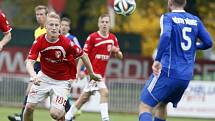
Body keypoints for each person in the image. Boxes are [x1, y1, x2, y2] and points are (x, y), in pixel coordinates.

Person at [139, 0, 213, 121]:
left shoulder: (168, 17)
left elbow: (166, 35)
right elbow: (209, 43)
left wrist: (157, 59)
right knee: (162, 105)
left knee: (145, 106)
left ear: (170, 2)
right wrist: (195, 46)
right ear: (184, 3)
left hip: (168, 71)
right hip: (185, 76)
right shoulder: (195, 20)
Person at [23, 12, 101, 121]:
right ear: (46, 26)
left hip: (62, 82)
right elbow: (29, 62)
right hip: (43, 77)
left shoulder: (67, 43)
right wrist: (33, 75)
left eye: (56, 25)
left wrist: (91, 73)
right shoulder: (39, 41)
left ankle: (63, 115)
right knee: (29, 108)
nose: (54, 28)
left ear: (59, 27)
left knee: (55, 114)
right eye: (51, 25)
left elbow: (83, 55)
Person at [65, 14, 123, 121]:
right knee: (105, 92)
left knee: (84, 98)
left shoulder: (112, 38)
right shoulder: (92, 37)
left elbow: (120, 56)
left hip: (101, 74)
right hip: (92, 73)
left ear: (109, 24)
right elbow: (83, 55)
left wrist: (116, 51)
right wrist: (78, 71)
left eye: (106, 22)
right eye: (102, 22)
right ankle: (105, 118)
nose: (104, 24)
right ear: (98, 24)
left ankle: (67, 117)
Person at [8, 5, 48, 121]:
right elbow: (36, 48)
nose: (39, 17)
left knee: (52, 92)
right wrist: (30, 57)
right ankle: (22, 116)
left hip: (47, 65)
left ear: (46, 15)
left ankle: (70, 114)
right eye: (37, 14)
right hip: (37, 65)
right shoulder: (37, 31)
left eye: (42, 14)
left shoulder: (50, 30)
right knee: (29, 90)